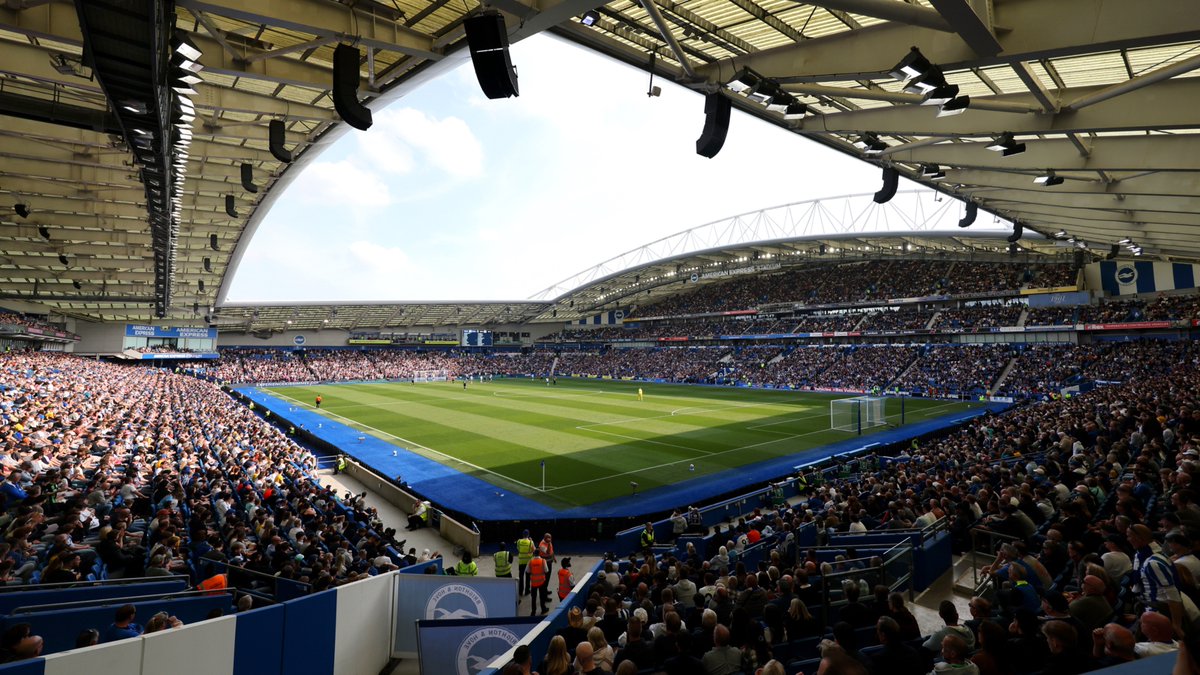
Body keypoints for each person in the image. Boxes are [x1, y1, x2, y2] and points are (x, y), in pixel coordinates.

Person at [516, 530, 535, 596]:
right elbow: (534, 550)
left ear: (522, 535)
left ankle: (520, 591)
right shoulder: (530, 542)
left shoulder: (519, 541)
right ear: (528, 535)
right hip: (528, 562)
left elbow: (518, 549)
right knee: (528, 577)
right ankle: (527, 590)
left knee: (521, 577)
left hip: (521, 562)